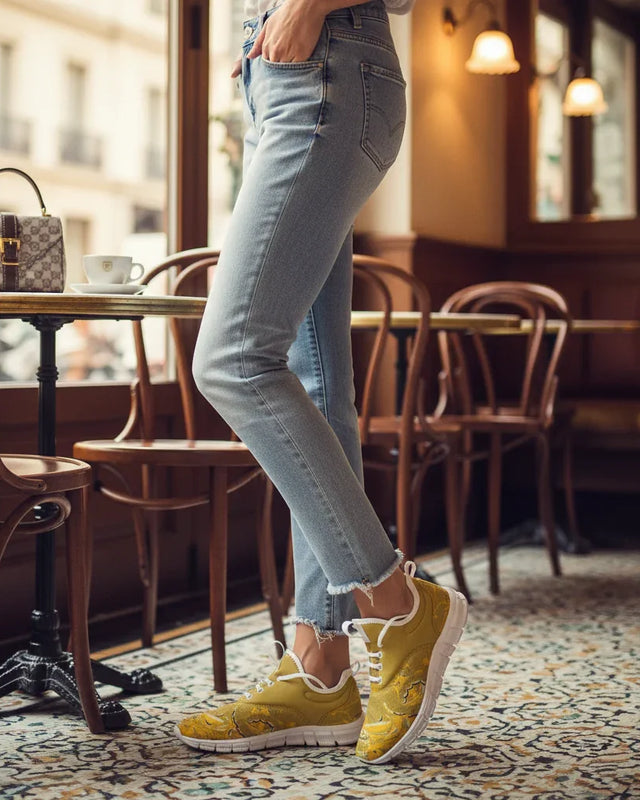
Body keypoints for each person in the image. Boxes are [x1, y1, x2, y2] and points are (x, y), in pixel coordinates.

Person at [174, 0, 468, 763]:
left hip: (328, 67)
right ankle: (320, 664)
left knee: (234, 359)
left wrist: (304, 5)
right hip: (285, 79)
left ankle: (395, 601)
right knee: (315, 379)